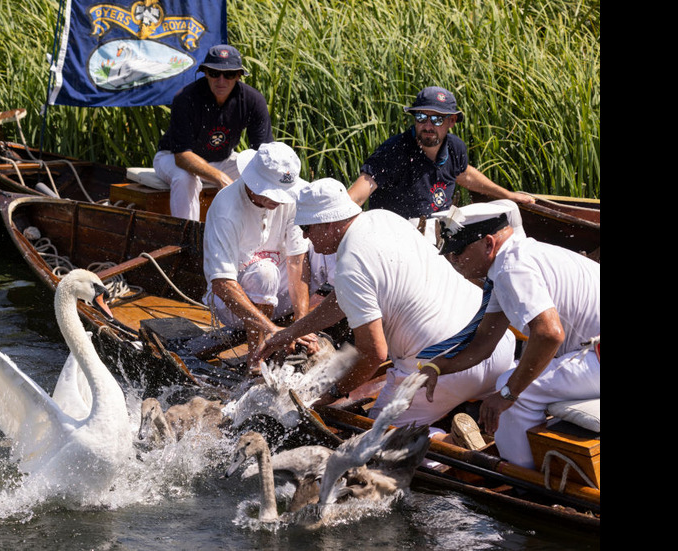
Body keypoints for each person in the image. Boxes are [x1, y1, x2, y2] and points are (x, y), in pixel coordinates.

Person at [251, 178, 515, 429]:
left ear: (328, 224)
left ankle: (442, 438)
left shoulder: (349, 266)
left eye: (306, 228)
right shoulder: (384, 218)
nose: (306, 238)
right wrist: (289, 333)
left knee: (369, 443)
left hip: (441, 372)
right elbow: (343, 299)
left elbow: (375, 353)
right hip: (496, 348)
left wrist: (332, 393)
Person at [421, 200, 600, 468]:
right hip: (591, 356)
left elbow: (550, 334)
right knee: (516, 377)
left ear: (488, 244)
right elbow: (483, 342)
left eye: (458, 251)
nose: (453, 260)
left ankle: (523, 480)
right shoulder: (514, 260)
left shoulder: (511, 268)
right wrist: (438, 366)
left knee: (513, 387)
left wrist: (507, 395)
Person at [347, 86, 534, 238]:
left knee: (508, 209)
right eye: (421, 117)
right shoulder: (394, 151)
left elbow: (465, 174)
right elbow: (356, 197)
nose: (428, 126)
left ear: (451, 121)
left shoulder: (455, 148)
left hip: (442, 226)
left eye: (437, 119)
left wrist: (508, 195)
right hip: (400, 234)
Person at [203, 142, 317, 373]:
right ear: (252, 181)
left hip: (280, 294)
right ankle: (256, 360)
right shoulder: (226, 208)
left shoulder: (293, 199)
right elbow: (222, 284)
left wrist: (300, 323)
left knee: (326, 247)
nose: (279, 200)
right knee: (264, 272)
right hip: (234, 305)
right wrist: (272, 329)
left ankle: (311, 330)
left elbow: (296, 262)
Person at [153, 44, 273, 220]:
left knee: (262, 176)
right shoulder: (185, 98)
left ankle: (261, 237)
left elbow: (263, 154)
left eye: (229, 74)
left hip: (223, 159)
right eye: (215, 73)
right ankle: (187, 240)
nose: (221, 81)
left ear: (239, 75)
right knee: (185, 179)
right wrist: (219, 177)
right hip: (172, 158)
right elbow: (182, 156)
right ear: (206, 73)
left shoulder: (252, 100)